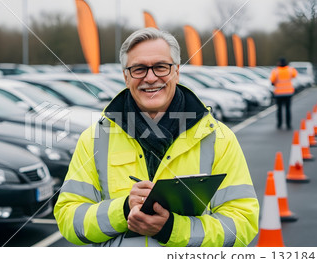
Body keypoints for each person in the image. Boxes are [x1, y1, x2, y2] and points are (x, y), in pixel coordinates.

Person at [54, 28, 259, 247]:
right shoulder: (94, 139)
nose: (150, 78)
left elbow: (242, 223)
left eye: (161, 67)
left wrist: (171, 229)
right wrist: (122, 210)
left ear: (176, 72)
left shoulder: (219, 138)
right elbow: (69, 219)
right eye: (139, 69)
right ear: (126, 76)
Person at [270, 58, 298, 129]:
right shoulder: (290, 70)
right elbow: (295, 75)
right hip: (288, 92)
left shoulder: (275, 71)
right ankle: (288, 124)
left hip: (279, 93)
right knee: (288, 109)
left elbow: (272, 81)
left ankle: (279, 124)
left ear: (279, 63)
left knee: (279, 110)